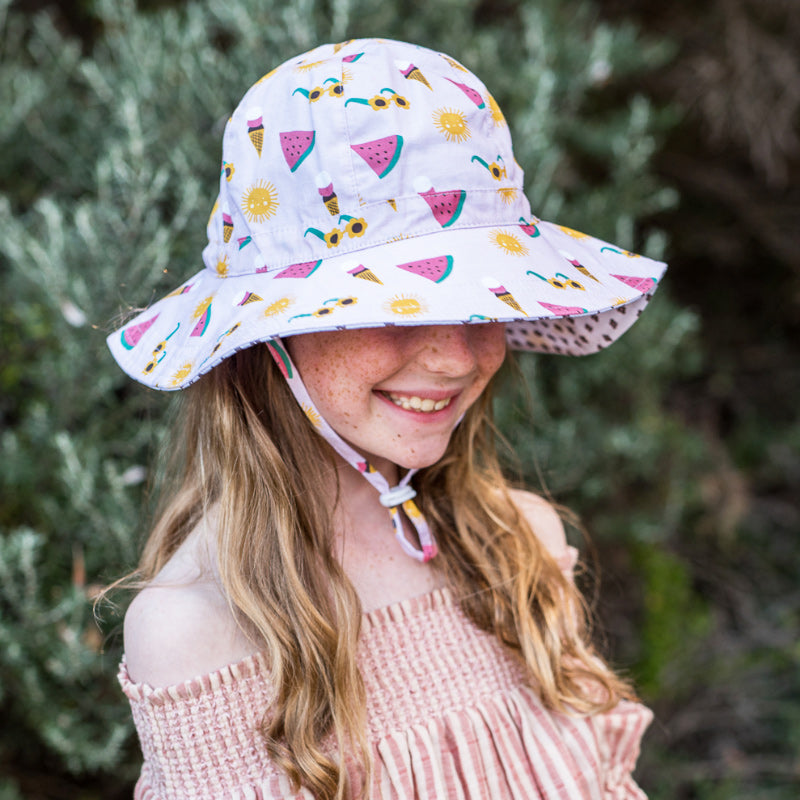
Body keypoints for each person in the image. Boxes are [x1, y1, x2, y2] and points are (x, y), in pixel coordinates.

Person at [107, 38, 666, 800]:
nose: (455, 359)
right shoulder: (201, 637)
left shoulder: (521, 549)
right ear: (269, 335)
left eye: (483, 304)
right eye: (392, 310)